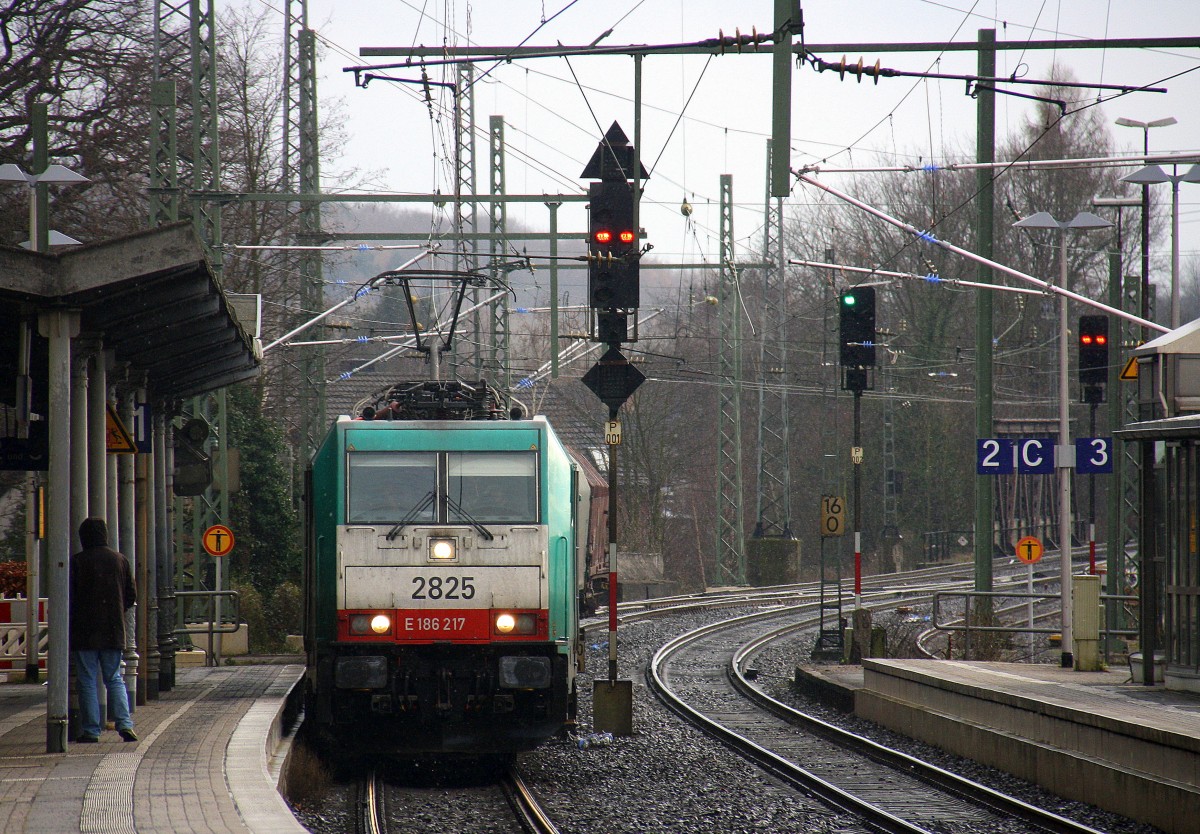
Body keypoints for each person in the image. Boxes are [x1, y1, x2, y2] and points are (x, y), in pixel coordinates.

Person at [70, 517, 137, 743]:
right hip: (113, 630)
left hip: (84, 632)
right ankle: (125, 723)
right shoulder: (120, 560)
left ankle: (91, 730)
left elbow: (69, 597)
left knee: (87, 680)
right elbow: (131, 596)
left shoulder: (77, 562)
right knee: (114, 677)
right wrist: (116, 612)